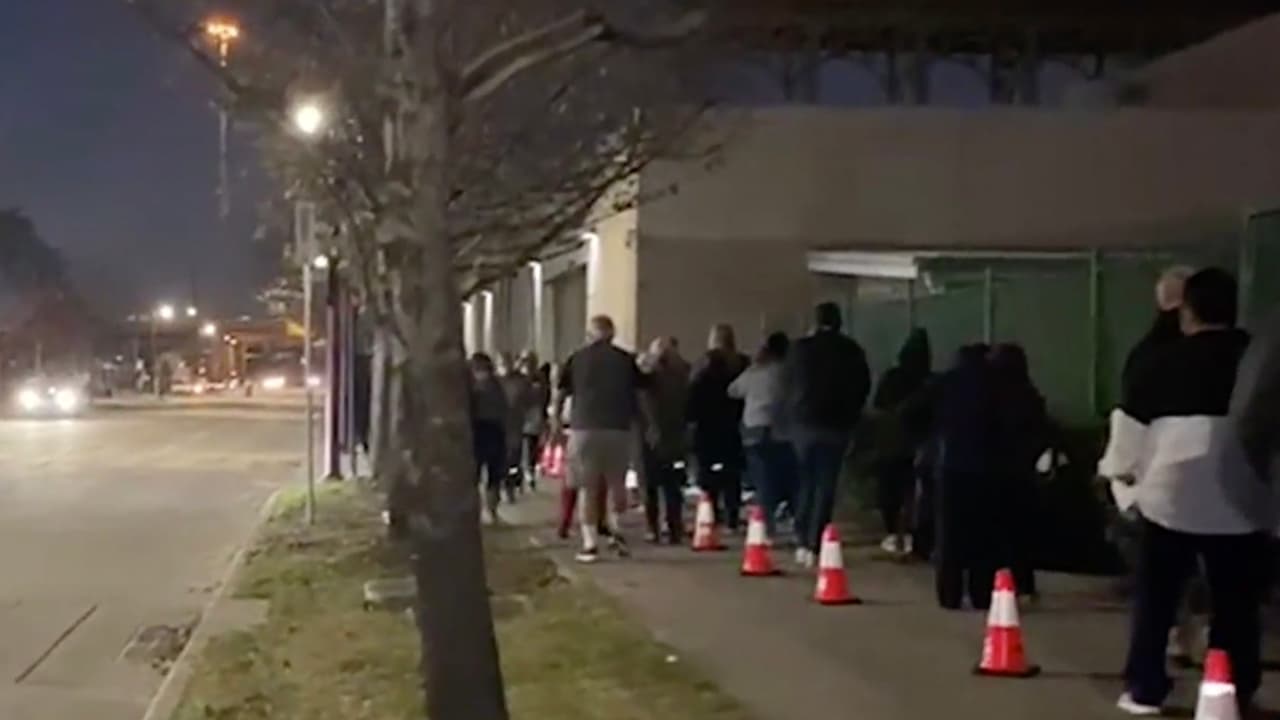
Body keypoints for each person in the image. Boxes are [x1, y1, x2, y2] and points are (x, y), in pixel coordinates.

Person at [1108, 268, 1270, 716]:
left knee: (1157, 596)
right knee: (1237, 600)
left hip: (1170, 497)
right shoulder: (1256, 362)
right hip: (1244, 500)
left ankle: (1145, 687)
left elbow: (1128, 440)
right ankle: (1235, 685)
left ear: (1186, 312)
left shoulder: (1158, 361)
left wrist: (1123, 484)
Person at [1099, 266, 1203, 664]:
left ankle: (1153, 667)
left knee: (1159, 577)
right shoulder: (1236, 354)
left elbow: (1129, 424)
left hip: (1154, 486)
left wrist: (1122, 476)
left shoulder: (1147, 357)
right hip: (1221, 487)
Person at [551, 316, 650, 563]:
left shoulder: (577, 358)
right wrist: (646, 424)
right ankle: (617, 530)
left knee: (587, 486)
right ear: (612, 334)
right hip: (619, 428)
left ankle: (590, 542)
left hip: (584, 428)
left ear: (590, 334)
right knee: (617, 483)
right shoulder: (626, 360)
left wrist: (554, 423)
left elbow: (560, 393)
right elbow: (641, 394)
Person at [785, 303, 872, 567]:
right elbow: (862, 385)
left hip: (803, 424)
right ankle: (815, 540)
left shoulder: (800, 350)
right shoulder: (851, 351)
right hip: (836, 425)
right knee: (825, 483)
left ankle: (801, 535)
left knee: (805, 480)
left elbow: (788, 382)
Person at [930, 344, 999, 609]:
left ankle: (950, 594)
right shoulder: (995, 384)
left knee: (949, 533)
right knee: (982, 535)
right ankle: (981, 594)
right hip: (987, 468)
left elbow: (912, 412)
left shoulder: (945, 383)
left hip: (950, 466)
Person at [989, 343, 1049, 600]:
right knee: (1022, 533)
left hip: (995, 471)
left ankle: (1000, 580)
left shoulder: (991, 396)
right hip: (1022, 473)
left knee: (998, 529)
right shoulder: (1029, 395)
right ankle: (1024, 582)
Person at [870, 328, 933, 555]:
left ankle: (892, 533)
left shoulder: (892, 377)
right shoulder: (929, 380)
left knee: (890, 490)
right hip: (919, 444)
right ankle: (912, 534)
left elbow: (877, 406)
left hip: (890, 442)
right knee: (914, 491)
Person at [729, 331, 794, 539]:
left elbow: (733, 390)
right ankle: (788, 518)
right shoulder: (789, 373)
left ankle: (766, 527)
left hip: (754, 429)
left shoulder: (756, 372)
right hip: (782, 431)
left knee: (762, 480)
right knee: (785, 478)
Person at [688, 324, 750, 532]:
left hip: (707, 426)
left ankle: (711, 513)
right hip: (733, 426)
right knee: (732, 476)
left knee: (708, 474)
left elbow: (692, 394)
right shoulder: (742, 363)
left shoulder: (702, 364)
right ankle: (732, 516)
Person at [639, 337, 691, 544]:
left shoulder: (647, 377)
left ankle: (653, 528)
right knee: (672, 485)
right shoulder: (683, 374)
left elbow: (642, 403)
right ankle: (674, 527)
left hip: (651, 436)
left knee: (651, 484)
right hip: (674, 436)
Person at [469, 352, 509, 523]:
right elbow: (505, 409)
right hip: (495, 430)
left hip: (477, 431)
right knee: (494, 474)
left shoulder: (470, 387)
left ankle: (478, 512)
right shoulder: (497, 385)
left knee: (475, 475)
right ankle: (491, 511)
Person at [518, 351, 550, 491]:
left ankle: (529, 471)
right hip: (520, 417)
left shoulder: (539, 377)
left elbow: (545, 396)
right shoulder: (517, 377)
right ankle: (521, 474)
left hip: (534, 417)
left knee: (533, 446)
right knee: (521, 447)